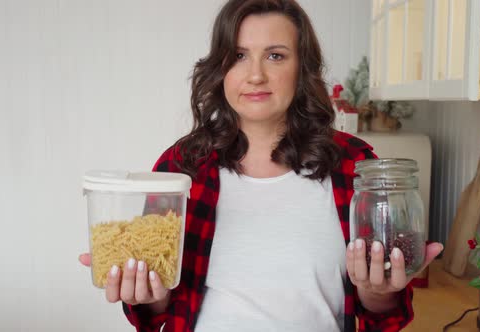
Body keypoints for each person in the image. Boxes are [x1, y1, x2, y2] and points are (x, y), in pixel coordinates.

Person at [79, 0, 444, 331]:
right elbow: (160, 305)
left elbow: (381, 312)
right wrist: (144, 291)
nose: (255, 75)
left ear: (303, 68)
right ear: (220, 69)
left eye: (275, 56)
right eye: (238, 56)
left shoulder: (352, 163)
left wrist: (378, 290)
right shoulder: (181, 166)